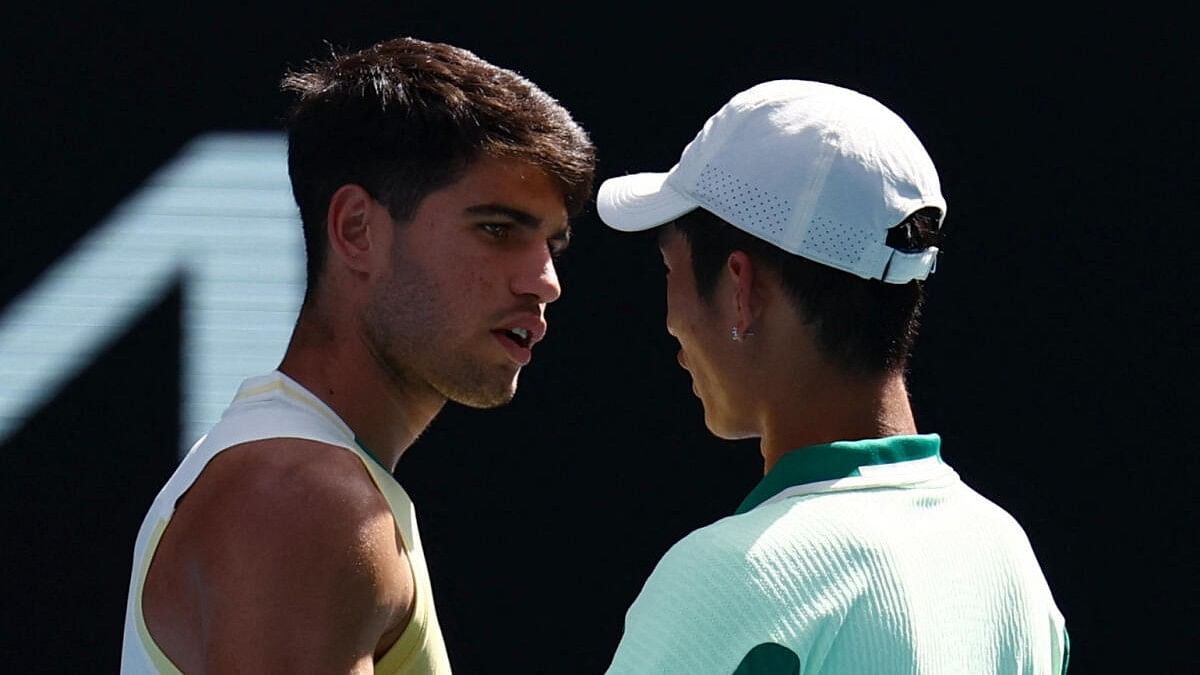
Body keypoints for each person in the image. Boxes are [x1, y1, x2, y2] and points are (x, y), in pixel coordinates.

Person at [120, 36, 595, 674]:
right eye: (496, 229)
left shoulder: (308, 478)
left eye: (552, 246)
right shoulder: (302, 496)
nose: (544, 281)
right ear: (356, 230)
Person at [595, 80, 1068, 674]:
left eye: (670, 268)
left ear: (741, 290)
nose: (669, 324)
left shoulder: (727, 578)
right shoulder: (1008, 555)